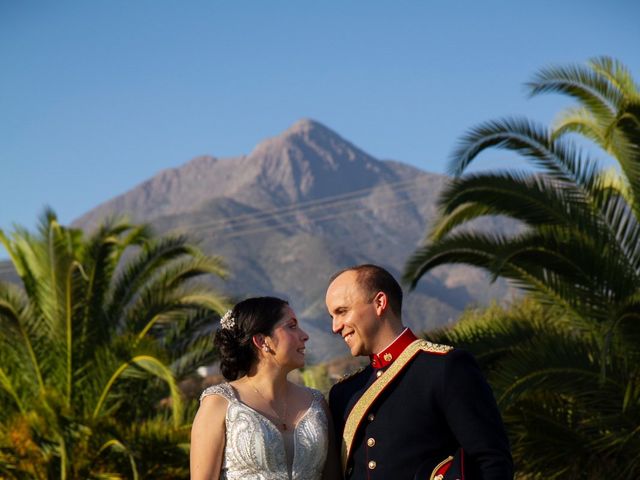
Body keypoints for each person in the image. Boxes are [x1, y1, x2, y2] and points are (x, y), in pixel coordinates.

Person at [326, 265, 513, 480]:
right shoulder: (344, 392)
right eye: (332, 316)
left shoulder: (444, 368)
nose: (335, 327)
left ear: (379, 303)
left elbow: (492, 461)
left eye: (342, 311)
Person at [190, 296, 341, 480]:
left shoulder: (317, 404)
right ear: (262, 341)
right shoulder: (220, 403)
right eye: (291, 326)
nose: (305, 335)